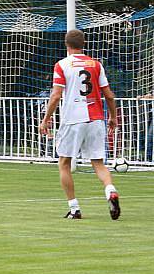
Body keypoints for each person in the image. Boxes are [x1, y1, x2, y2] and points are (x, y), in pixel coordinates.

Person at [39, 29, 120, 220]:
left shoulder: (62, 65)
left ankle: (74, 208)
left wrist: (46, 119)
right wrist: (114, 117)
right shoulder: (96, 64)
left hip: (72, 119)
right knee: (98, 163)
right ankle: (110, 190)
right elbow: (108, 94)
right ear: (84, 44)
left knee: (64, 163)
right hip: (96, 119)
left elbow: (56, 95)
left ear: (66, 45)